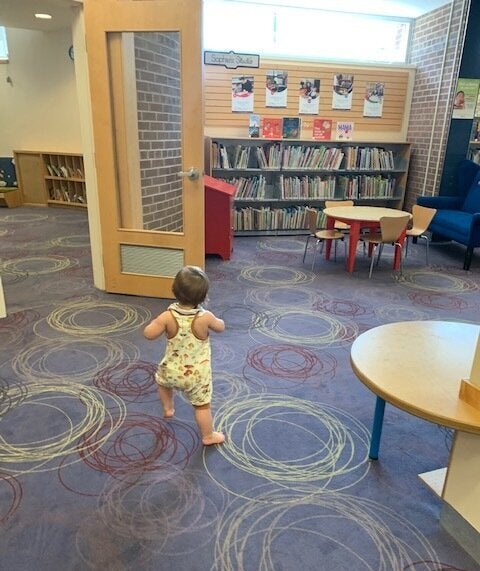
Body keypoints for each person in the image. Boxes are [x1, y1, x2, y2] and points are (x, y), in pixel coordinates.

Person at [144, 266, 226, 445]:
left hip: (172, 370)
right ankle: (208, 436)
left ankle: (168, 407)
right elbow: (221, 327)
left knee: (161, 382)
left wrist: (156, 322)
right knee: (202, 406)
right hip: (197, 376)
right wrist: (217, 321)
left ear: (174, 290)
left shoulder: (167, 316)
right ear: (203, 297)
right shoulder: (205, 317)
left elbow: (148, 334)